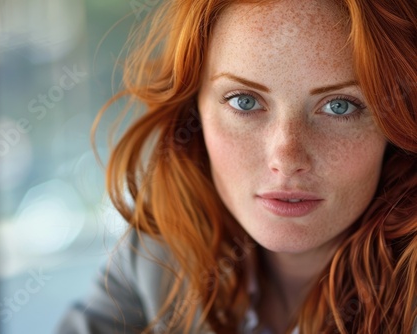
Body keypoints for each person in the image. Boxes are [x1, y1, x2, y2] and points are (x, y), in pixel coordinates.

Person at [58, 0, 417, 333]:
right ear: (192, 109)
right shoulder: (157, 256)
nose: (286, 160)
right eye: (244, 101)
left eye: (340, 106)